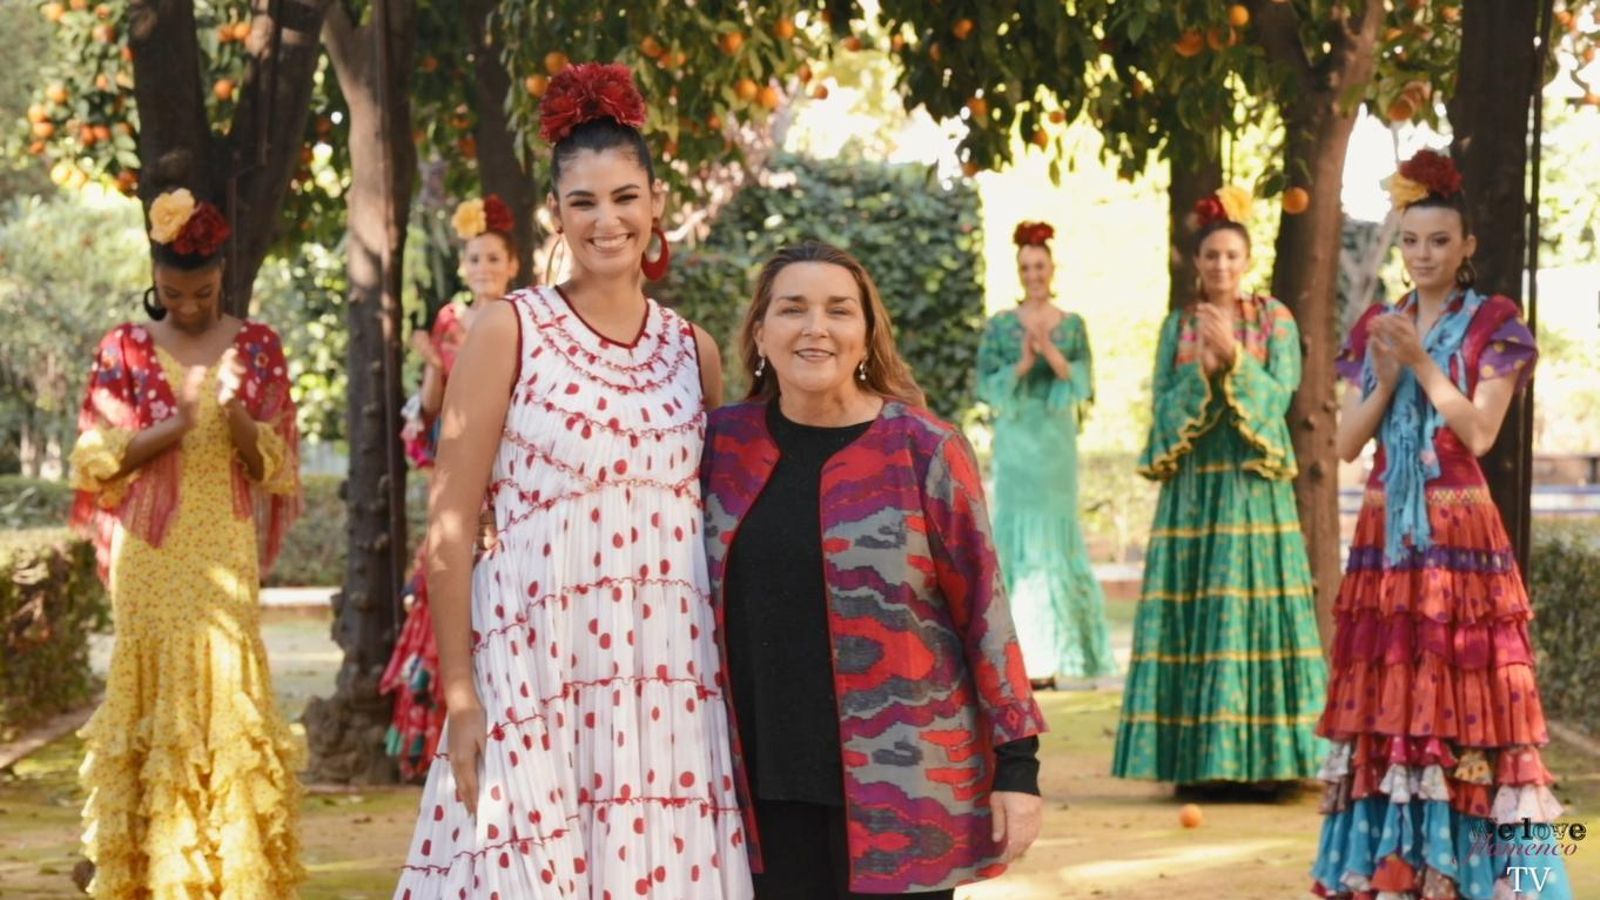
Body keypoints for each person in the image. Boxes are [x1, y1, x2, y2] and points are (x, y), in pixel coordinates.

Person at [393, 62, 752, 898]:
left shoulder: (692, 350)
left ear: (656, 202)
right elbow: (448, 527)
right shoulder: (506, 329)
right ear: (556, 214)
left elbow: (710, 528)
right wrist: (460, 694)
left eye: (625, 197)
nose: (607, 220)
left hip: (670, 676)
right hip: (534, 664)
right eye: (583, 202)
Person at [701, 241, 1047, 898]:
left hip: (907, 792)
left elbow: (986, 614)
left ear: (866, 335)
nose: (815, 328)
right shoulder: (720, 446)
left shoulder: (924, 449)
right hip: (758, 796)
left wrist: (1018, 770)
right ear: (760, 332)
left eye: (839, 311)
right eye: (792, 309)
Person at [1309, 151, 1571, 899]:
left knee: (1476, 705)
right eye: (1411, 241)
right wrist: (1387, 376)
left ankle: (1492, 877)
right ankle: (1394, 874)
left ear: (1466, 249)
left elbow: (1481, 432)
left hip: (1461, 542)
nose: (1422, 255)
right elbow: (1347, 442)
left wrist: (1423, 365)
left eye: (1438, 241)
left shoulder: (1496, 322)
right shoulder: (1377, 325)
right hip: (1388, 541)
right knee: (1394, 706)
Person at [69, 187, 303, 897]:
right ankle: (142, 869)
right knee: (150, 697)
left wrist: (231, 416)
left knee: (227, 690)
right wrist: (178, 423)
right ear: (156, 278)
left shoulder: (259, 346)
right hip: (151, 553)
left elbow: (278, 467)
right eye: (172, 292)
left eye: (201, 292)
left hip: (222, 547)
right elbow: (94, 457)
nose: (189, 306)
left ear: (221, 276)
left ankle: (231, 871)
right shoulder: (125, 347)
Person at [1111, 187, 1327, 789]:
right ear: (1198, 264)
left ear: (1247, 261)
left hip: (1254, 486)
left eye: (1232, 255)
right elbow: (1160, 407)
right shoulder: (1177, 325)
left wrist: (1234, 359)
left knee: (1255, 608)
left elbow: (1282, 393)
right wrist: (1201, 374)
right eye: (1211, 257)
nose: (1222, 266)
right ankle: (1196, 765)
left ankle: (1274, 767)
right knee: (1200, 607)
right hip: (1196, 489)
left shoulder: (1274, 318)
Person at [381, 193, 520, 780]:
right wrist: (436, 360)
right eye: (473, 259)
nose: (483, 268)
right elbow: (434, 405)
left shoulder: (525, 316)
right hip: (462, 465)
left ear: (512, 265)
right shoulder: (449, 322)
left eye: (492, 258)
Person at [977, 221, 1117, 689]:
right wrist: (1022, 360)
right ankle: (1021, 657)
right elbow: (985, 385)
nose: (1033, 274)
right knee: (1015, 537)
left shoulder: (1073, 324)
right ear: (1018, 271)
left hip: (1056, 442)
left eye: (1040, 265)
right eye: (1025, 267)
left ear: (1052, 267)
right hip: (1017, 442)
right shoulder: (999, 325)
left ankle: (1065, 655)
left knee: (1059, 538)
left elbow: (1083, 382)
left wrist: (1050, 352)